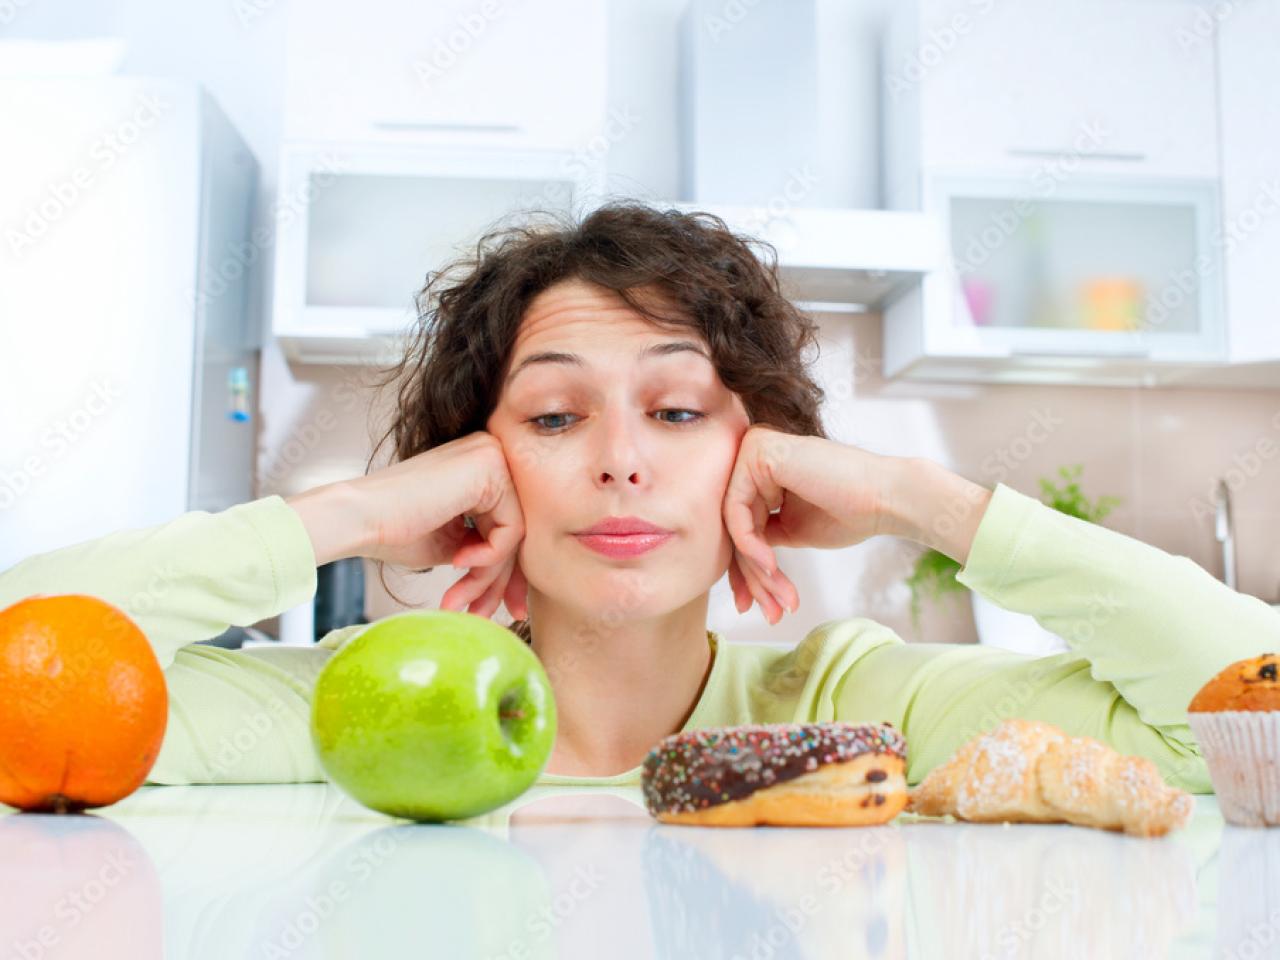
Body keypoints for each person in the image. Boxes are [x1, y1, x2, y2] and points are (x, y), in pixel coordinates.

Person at [3, 203, 1276, 792]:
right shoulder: (352, 723)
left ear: (759, 467)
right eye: (553, 418)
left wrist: (912, 497)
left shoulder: (851, 714)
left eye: (676, 412)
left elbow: (1247, 724)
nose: (619, 459)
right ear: (476, 479)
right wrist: (345, 513)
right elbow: (21, 674)